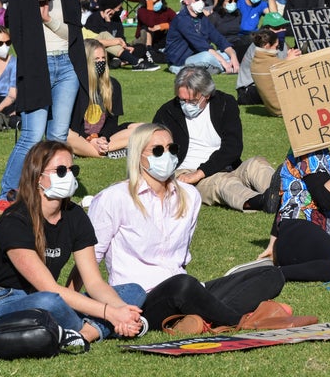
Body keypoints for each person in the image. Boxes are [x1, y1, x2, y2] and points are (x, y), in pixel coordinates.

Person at [88, 123, 289, 331]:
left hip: (188, 290)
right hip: (142, 299)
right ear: (138, 155)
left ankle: (199, 318)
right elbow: (89, 260)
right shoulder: (113, 198)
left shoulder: (189, 195)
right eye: (157, 151)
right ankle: (239, 321)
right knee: (182, 285)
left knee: (270, 274)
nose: (166, 155)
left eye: (171, 149)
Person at [0, 141, 147, 344]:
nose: (68, 176)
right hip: (4, 305)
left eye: (72, 169)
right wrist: (109, 313)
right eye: (60, 171)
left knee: (133, 291)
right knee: (49, 301)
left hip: (52, 299)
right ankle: (92, 327)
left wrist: (121, 311)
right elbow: (49, 288)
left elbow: (94, 282)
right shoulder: (15, 220)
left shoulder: (75, 215)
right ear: (36, 177)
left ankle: (84, 334)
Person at [0, 0, 88, 216]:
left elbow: (71, 32)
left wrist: (49, 22)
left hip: (66, 66)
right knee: (32, 135)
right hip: (39, 64)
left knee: (58, 134)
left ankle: (52, 189)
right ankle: (8, 193)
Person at [153, 67, 279, 213]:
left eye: (192, 101)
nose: (186, 105)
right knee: (222, 183)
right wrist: (193, 176)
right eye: (182, 100)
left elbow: (233, 147)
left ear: (206, 94)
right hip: (188, 173)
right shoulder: (167, 112)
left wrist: (201, 171)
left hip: (225, 165)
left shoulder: (225, 103)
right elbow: (154, 149)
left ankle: (286, 193)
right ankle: (260, 201)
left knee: (256, 164)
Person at [256, 121, 330, 281]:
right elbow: (325, 200)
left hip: (295, 237)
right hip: (303, 238)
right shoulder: (311, 150)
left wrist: (274, 244)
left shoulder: (305, 146)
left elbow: (287, 196)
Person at [67, 39, 142, 159]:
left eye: (103, 58)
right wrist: (90, 139)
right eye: (96, 59)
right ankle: (106, 152)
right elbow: (71, 125)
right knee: (65, 135)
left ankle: (90, 151)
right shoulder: (74, 86)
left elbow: (112, 123)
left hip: (103, 137)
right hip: (79, 137)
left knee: (144, 129)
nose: (101, 62)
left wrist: (101, 138)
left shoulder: (113, 85)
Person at [165, 0, 240, 75]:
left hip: (198, 55)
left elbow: (219, 38)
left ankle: (218, 67)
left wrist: (233, 56)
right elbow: (201, 45)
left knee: (228, 53)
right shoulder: (181, 19)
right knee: (207, 57)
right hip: (180, 60)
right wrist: (224, 62)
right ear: (186, 1)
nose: (200, 2)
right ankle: (224, 68)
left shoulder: (202, 18)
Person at [249, 26, 301, 116]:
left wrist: (288, 60)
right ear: (267, 45)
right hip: (283, 109)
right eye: (276, 47)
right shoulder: (270, 63)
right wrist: (290, 60)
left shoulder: (256, 62)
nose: (277, 50)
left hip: (274, 109)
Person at [135, 0, 176, 65]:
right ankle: (149, 51)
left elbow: (178, 22)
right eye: (154, 2)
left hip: (161, 40)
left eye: (158, 0)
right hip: (144, 41)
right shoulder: (142, 11)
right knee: (147, 28)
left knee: (175, 30)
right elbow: (150, 23)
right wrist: (150, 4)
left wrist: (162, 26)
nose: (157, 3)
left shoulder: (167, 11)